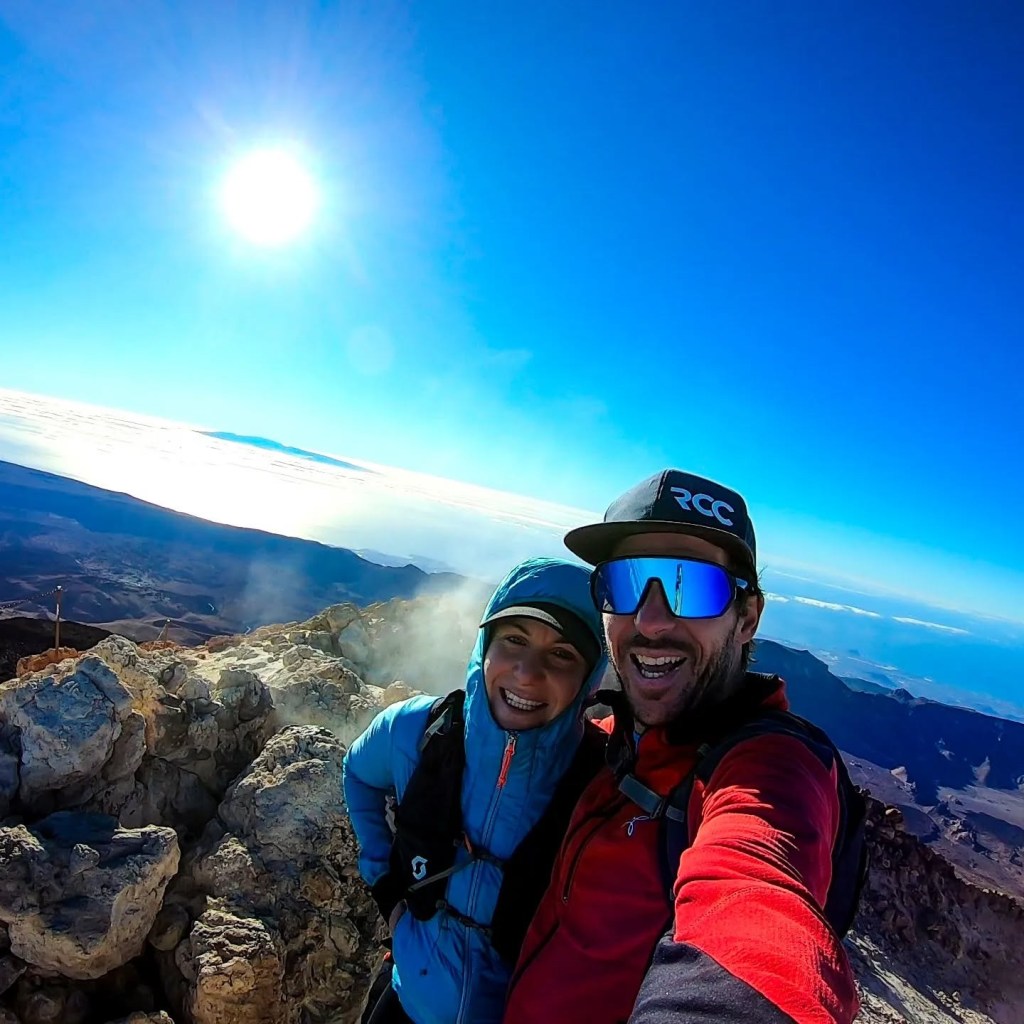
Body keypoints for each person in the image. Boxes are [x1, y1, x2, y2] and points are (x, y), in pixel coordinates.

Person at [503, 470, 862, 1024]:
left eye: (689, 586)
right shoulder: (610, 744)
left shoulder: (772, 771)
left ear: (747, 618)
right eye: (624, 584)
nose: (648, 621)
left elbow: (755, 903)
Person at [343, 557, 608, 1024]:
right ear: (484, 646)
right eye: (514, 640)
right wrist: (386, 888)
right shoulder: (415, 731)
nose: (527, 672)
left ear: (587, 680)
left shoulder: (601, 782)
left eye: (562, 654)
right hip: (407, 1000)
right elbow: (358, 774)